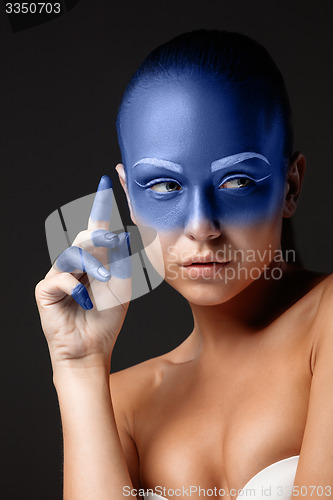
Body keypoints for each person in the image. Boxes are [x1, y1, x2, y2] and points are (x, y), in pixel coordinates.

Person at [35, 30, 333, 500]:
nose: (201, 226)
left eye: (236, 181)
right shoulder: (121, 403)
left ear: (291, 186)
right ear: (128, 196)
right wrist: (78, 365)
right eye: (165, 187)